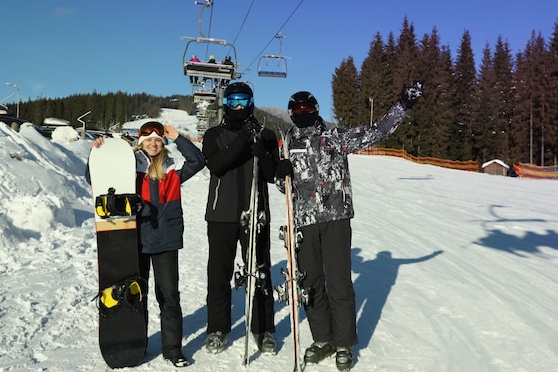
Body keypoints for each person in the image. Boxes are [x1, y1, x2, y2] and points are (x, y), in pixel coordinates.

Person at [275, 82, 423, 371]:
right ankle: (322, 339)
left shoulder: (334, 136)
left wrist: (403, 105)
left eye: (307, 108)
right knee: (310, 281)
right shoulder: (287, 141)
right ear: (291, 113)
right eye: (297, 109)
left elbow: (378, 131)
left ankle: (343, 343)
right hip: (303, 221)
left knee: (339, 280)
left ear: (316, 111)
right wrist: (280, 176)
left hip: (335, 217)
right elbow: (285, 188)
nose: (302, 113)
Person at [90, 121, 205, 368]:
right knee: (135, 295)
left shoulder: (172, 169)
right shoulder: (129, 167)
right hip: (135, 240)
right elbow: (96, 177)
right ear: (141, 142)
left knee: (169, 297)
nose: (153, 144)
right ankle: (137, 342)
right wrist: (97, 152)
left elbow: (198, 161)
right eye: (148, 140)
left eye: (158, 140)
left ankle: (173, 350)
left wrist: (177, 137)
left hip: (165, 241)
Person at [202, 81, 280, 355]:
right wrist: (243, 141)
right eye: (233, 101)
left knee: (259, 270)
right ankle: (217, 329)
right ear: (225, 103)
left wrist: (264, 155)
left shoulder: (266, 135)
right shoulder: (214, 134)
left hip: (255, 212)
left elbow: (272, 176)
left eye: (243, 101)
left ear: (251, 103)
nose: (238, 106)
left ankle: (263, 328)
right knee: (219, 273)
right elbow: (217, 164)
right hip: (222, 214)